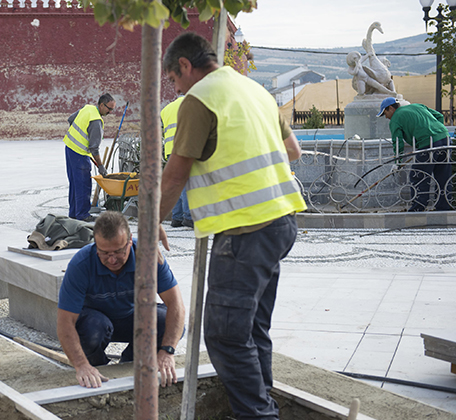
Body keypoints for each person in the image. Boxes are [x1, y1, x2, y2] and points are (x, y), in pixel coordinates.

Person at [159, 32, 307, 420]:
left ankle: (258, 415)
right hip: (281, 223)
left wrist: (152, 220)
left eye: (173, 80)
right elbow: (294, 151)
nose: (175, 90)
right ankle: (264, 402)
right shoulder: (255, 90)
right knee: (252, 329)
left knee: (225, 335)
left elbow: (175, 174)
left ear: (185, 66)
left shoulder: (199, 99)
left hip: (245, 230)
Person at [57, 211, 185, 389]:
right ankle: (97, 366)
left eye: (119, 251)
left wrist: (168, 351)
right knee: (93, 329)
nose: (112, 259)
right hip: (96, 323)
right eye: (104, 252)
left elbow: (176, 305)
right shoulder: (81, 265)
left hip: (132, 318)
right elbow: (65, 322)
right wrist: (81, 365)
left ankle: (130, 362)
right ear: (95, 245)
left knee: (163, 322)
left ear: (130, 240)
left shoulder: (148, 257)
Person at [377, 97, 452, 212]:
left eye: (385, 113)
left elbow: (398, 142)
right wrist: (436, 132)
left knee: (418, 175)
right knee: (443, 174)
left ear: (391, 108)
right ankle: (444, 207)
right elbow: (439, 116)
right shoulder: (417, 106)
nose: (386, 117)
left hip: (428, 143)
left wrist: (398, 163)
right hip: (445, 138)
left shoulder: (395, 119)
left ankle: (418, 207)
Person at [63, 94, 115, 222]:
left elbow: (71, 119)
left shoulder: (87, 108)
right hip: (79, 154)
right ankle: (82, 214)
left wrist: (78, 136)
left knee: (74, 183)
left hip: (69, 148)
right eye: (109, 108)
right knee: (83, 184)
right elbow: (94, 148)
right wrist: (101, 166)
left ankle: (74, 213)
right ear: (101, 105)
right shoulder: (96, 121)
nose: (110, 112)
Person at [161, 94, 192, 228]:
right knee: (186, 184)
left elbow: (161, 131)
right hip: (184, 149)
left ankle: (176, 218)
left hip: (169, 151)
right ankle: (188, 217)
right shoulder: (191, 106)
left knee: (175, 184)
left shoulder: (166, 109)